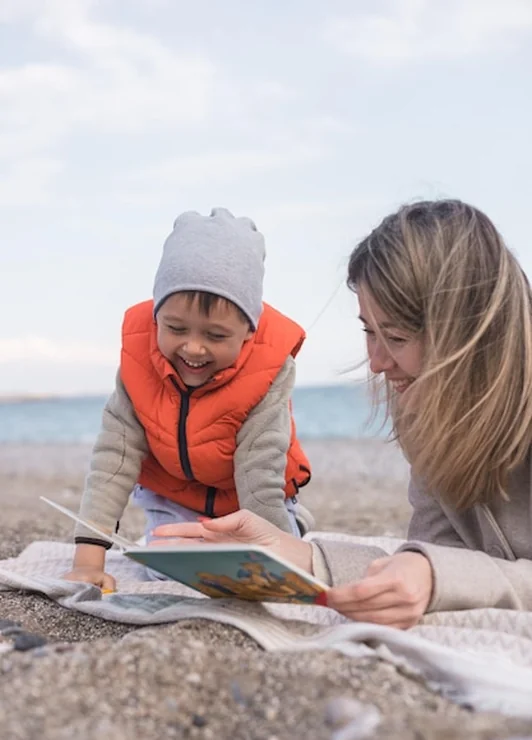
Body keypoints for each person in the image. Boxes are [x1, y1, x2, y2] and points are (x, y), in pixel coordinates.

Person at [151, 199, 532, 629]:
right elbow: (437, 558)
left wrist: (436, 574)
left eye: (396, 336)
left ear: (468, 331)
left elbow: (445, 572)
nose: (377, 362)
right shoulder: (425, 411)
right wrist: (293, 557)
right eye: (370, 331)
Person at [64, 208, 312, 591]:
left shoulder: (269, 372)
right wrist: (88, 560)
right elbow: (114, 460)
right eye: (176, 328)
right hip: (175, 498)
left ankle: (292, 526)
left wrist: (278, 556)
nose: (193, 348)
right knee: (169, 568)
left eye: (215, 336)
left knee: (256, 570)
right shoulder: (137, 363)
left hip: (250, 504)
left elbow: (259, 470)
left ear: (249, 331)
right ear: (156, 317)